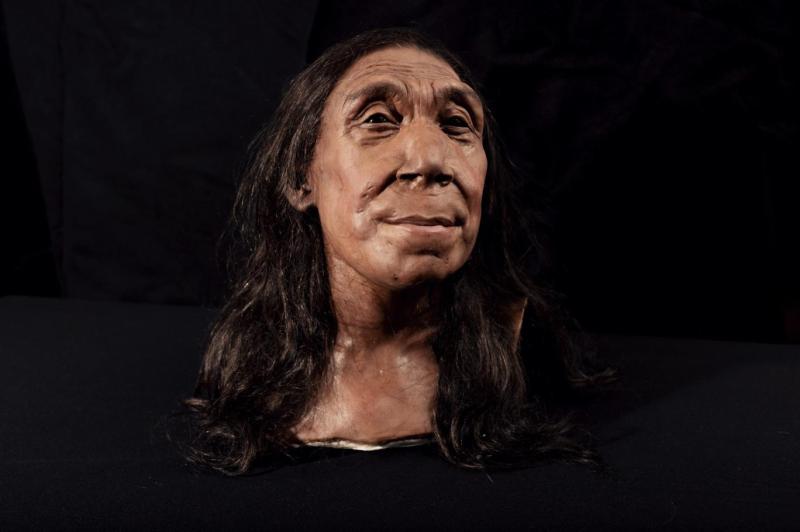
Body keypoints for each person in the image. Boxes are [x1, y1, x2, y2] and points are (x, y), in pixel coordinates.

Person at [183, 27, 612, 475]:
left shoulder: (515, 341)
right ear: (300, 177)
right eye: (377, 120)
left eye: (456, 124)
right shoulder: (260, 354)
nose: (430, 160)